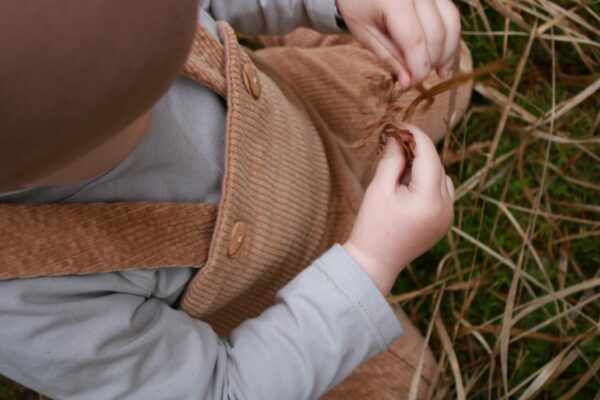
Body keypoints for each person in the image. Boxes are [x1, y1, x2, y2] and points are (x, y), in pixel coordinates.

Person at [0, 0, 472, 398]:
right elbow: (220, 388)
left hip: (310, 112)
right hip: (282, 301)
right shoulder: (30, 302)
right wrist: (369, 265)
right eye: (149, 91)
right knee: (414, 387)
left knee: (445, 66)